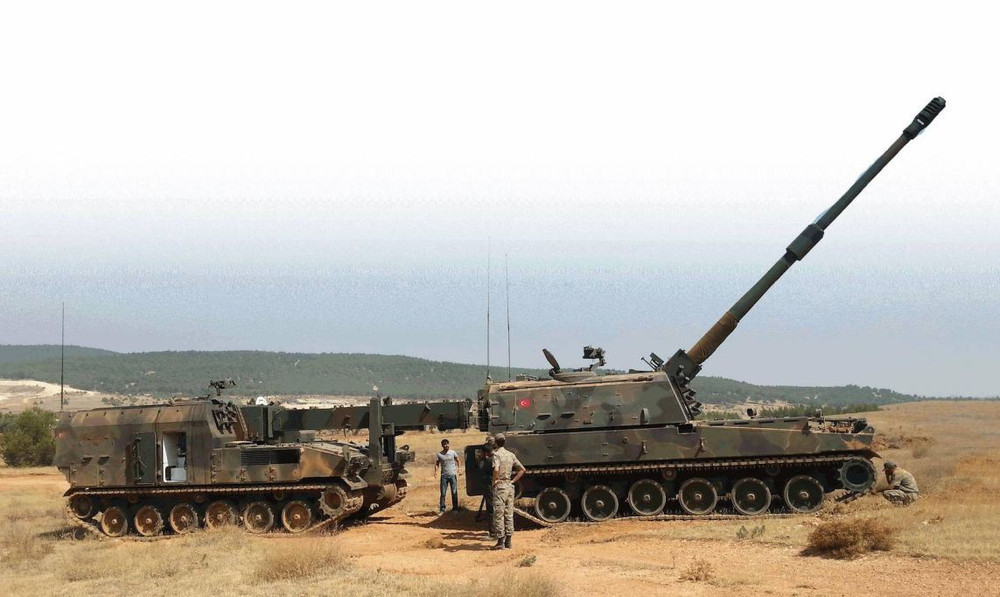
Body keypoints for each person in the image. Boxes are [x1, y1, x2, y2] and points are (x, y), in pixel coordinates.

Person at [491, 433, 526, 550]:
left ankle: (500, 541)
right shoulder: (511, 455)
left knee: (499, 514)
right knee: (509, 514)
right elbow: (522, 469)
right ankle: (509, 541)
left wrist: (494, 481)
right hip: (509, 487)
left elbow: (496, 469)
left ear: (495, 443)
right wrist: (512, 481)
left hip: (500, 486)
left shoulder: (496, 455)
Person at [434, 438, 461, 513]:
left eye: (447, 444)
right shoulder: (440, 454)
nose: (446, 445)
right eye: (445, 444)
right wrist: (435, 472)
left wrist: (459, 468)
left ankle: (455, 508)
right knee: (443, 493)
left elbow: (458, 460)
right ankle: (442, 509)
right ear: (442, 445)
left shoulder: (453, 452)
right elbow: (437, 464)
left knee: (454, 492)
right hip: (444, 476)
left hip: (452, 475)